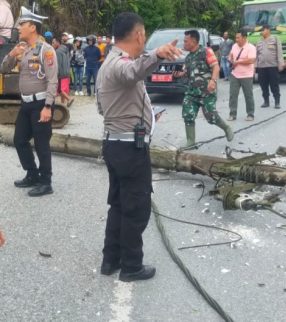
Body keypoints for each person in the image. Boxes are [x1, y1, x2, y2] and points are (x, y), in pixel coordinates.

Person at [96, 12, 181, 282]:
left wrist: (143, 116)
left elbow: (104, 106)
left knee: (120, 206)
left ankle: (111, 259)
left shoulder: (107, 63)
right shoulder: (120, 64)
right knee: (136, 208)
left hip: (116, 145)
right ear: (139, 35)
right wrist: (157, 54)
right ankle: (131, 266)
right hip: (129, 151)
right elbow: (132, 72)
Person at [0, 7, 58, 197]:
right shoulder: (23, 50)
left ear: (33, 27)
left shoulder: (46, 50)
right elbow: (3, 69)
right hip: (26, 104)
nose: (19, 28)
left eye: (22, 25)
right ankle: (32, 174)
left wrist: (48, 106)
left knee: (42, 144)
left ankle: (46, 182)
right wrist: (12, 54)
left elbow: (52, 80)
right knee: (19, 140)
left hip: (41, 103)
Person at [173, 30, 234, 147]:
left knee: (211, 117)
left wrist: (213, 81)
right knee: (188, 115)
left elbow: (216, 67)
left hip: (207, 92)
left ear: (194, 41)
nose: (184, 43)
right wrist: (179, 74)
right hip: (191, 93)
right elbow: (187, 73)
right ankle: (191, 142)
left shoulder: (206, 51)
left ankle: (226, 128)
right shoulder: (188, 57)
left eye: (186, 41)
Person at [227, 30, 256, 122]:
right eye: (236, 38)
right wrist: (230, 59)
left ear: (244, 38)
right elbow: (230, 56)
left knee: (248, 95)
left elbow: (251, 60)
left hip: (247, 75)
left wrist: (238, 61)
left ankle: (250, 114)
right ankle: (232, 114)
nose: (236, 40)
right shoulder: (234, 46)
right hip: (235, 74)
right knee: (233, 95)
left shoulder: (251, 47)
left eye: (238, 38)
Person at [256, 24, 284, 109]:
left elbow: (279, 53)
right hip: (262, 67)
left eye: (263, 30)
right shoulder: (259, 42)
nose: (262, 32)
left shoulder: (275, 39)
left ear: (268, 30)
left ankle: (277, 102)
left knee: (274, 85)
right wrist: (255, 66)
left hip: (272, 66)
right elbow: (256, 55)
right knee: (263, 85)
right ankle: (266, 101)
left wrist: (280, 64)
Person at [52, 37, 73, 106]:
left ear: (58, 42)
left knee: (59, 90)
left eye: (53, 42)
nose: (52, 44)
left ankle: (69, 99)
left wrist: (56, 74)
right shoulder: (65, 49)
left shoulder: (57, 51)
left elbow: (58, 64)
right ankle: (62, 104)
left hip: (61, 73)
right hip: (66, 72)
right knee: (63, 89)